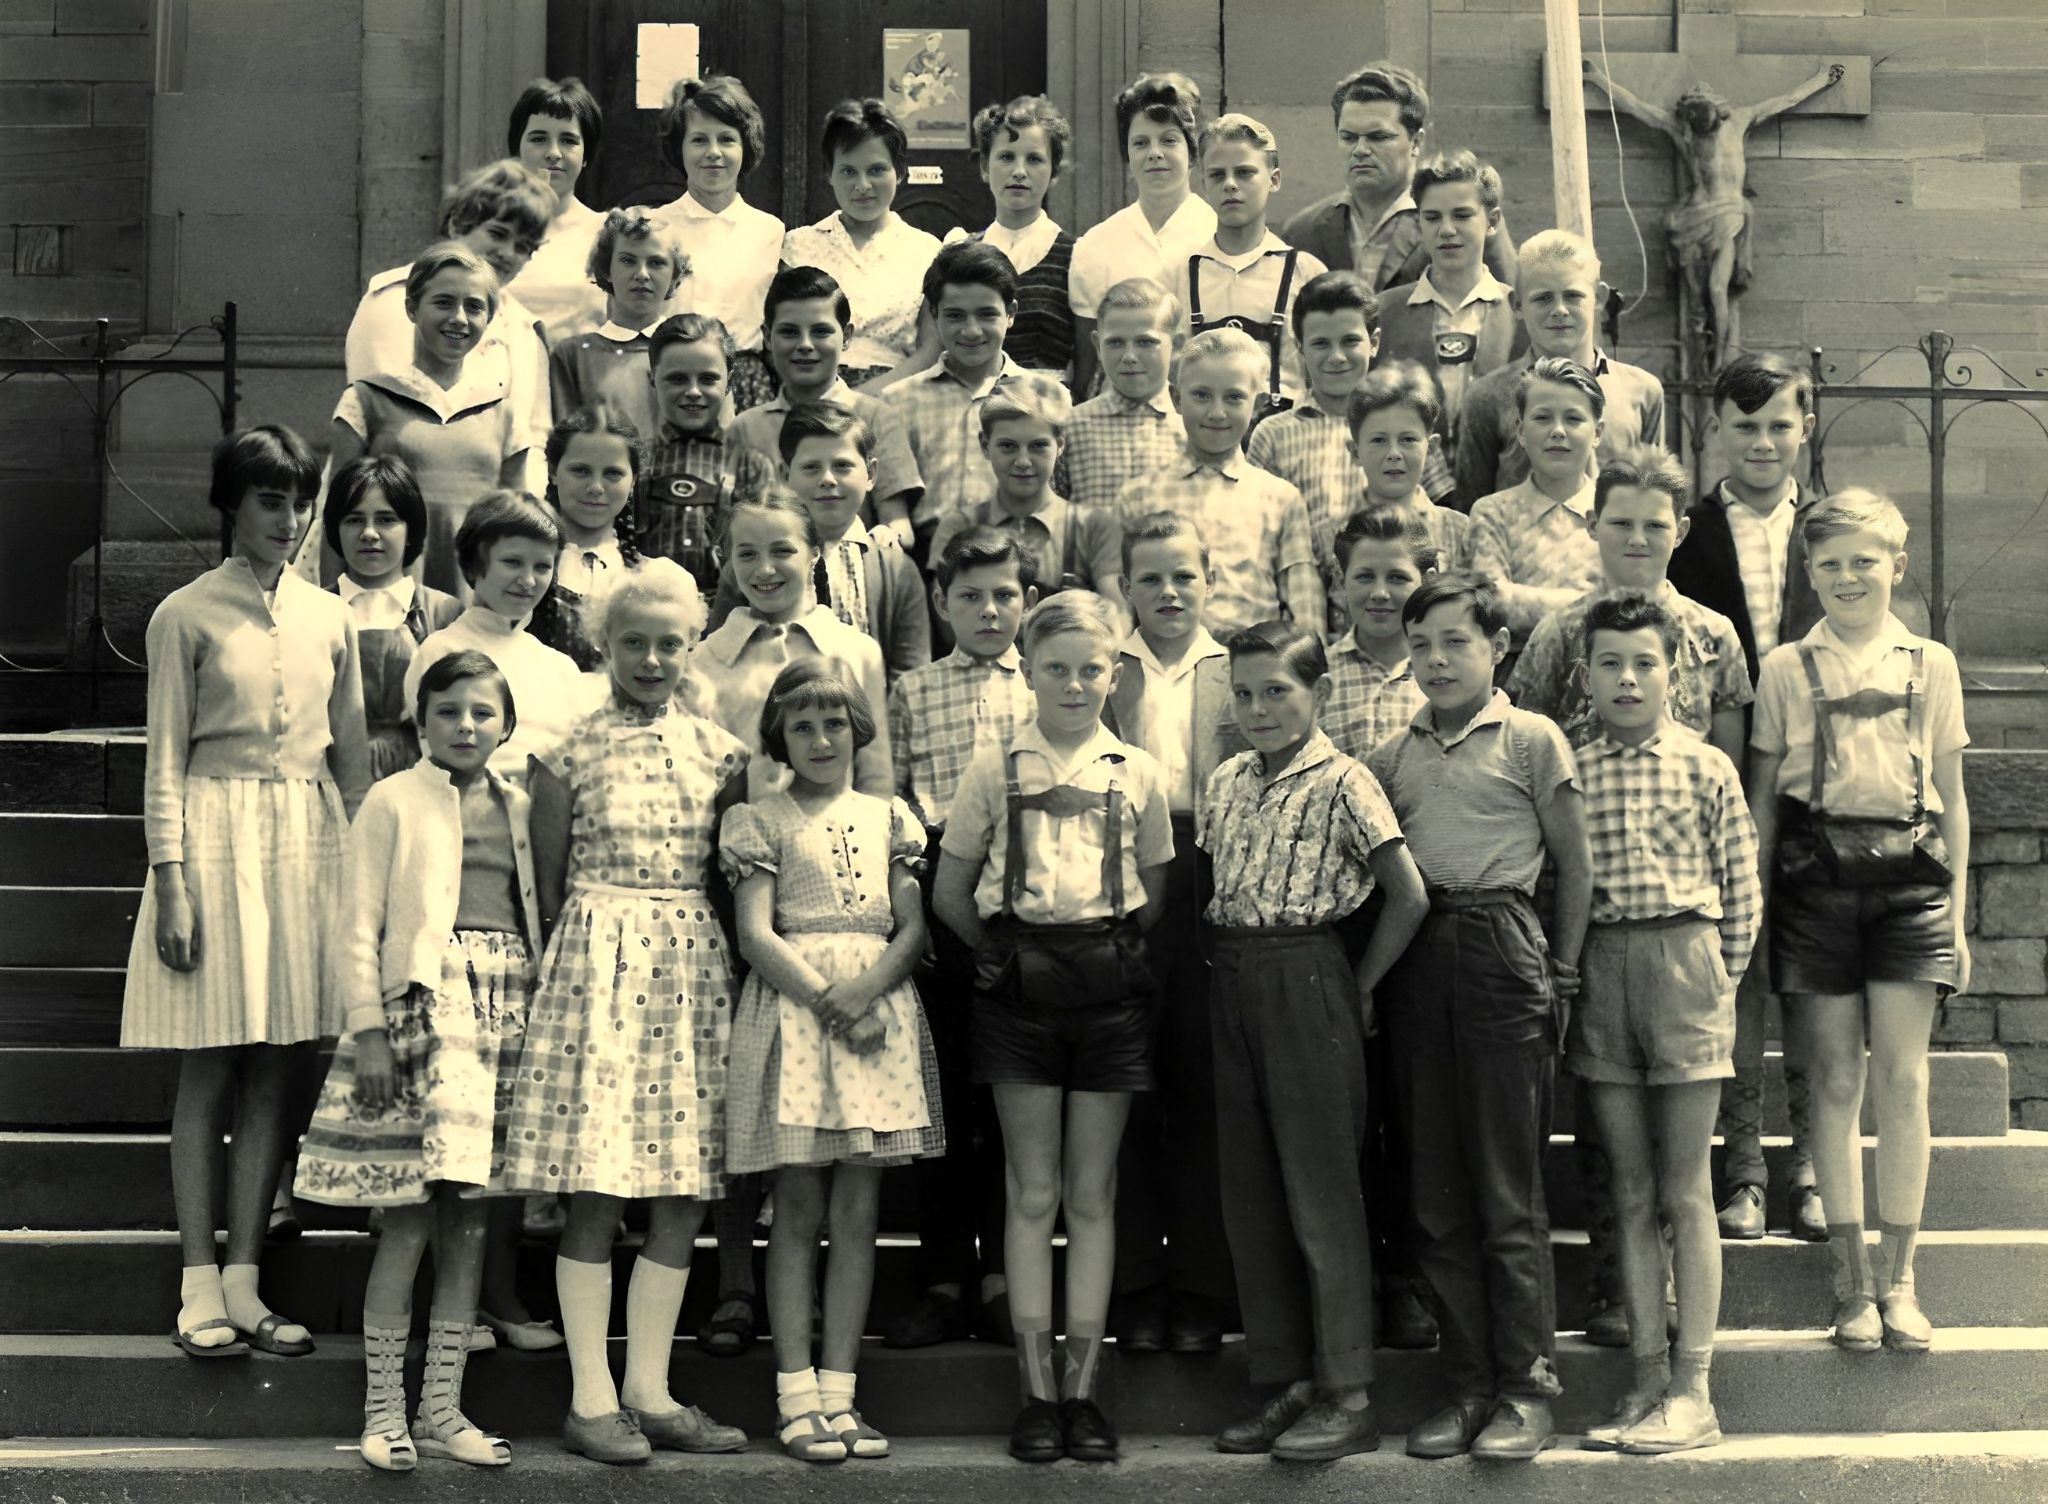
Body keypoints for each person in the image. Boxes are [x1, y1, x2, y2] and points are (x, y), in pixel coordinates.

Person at [123, 426, 369, 1361]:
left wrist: (362, 886)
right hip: (214, 837)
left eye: (303, 501)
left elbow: (352, 763)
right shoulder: (184, 614)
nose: (291, 519)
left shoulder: (331, 617)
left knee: (280, 1059)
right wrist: (173, 885)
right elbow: (163, 763)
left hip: (306, 840)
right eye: (272, 500)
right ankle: (197, 1285)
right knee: (212, 1058)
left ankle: (246, 1281)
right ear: (233, 504)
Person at [500, 559, 751, 1465]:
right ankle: (591, 1396)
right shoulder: (567, 752)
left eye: (669, 644)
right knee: (600, 1184)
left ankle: (650, 1389)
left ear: (692, 648)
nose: (651, 659)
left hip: (687, 969)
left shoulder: (722, 753)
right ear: (602, 645)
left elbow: (725, 883)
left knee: (682, 1186)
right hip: (597, 965)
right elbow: (548, 877)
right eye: (633, 643)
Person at [933, 591, 1175, 1466]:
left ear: (1115, 674)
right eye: (1056, 668)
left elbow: (1153, 896)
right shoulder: (992, 767)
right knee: (1031, 1195)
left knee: (1094, 1196)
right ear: (1028, 672)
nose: (1074, 684)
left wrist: (1095, 958)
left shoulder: (1137, 772)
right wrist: (1004, 962)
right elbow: (951, 891)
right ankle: (1035, 1395)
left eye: (1091, 668)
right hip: (1017, 997)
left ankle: (1085, 1393)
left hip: (1109, 996)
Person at [294, 650, 540, 1471]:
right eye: (448, 712)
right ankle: (383, 1409)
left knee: (470, 1219)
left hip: (503, 1013)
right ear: (421, 721)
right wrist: (367, 1029)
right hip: (420, 1014)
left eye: (482, 712)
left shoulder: (520, 804)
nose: (466, 726)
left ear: (504, 723)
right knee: (405, 1218)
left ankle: (442, 1406)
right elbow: (357, 924)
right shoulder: (393, 802)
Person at [1369, 573, 1591, 1462]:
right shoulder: (1392, 756)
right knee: (1433, 1193)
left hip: (1505, 946)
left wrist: (1562, 969)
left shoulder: (1533, 739)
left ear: (1496, 645)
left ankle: (1526, 1388)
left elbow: (1572, 867)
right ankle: (1465, 1385)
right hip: (1423, 952)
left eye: (1455, 641)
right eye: (1419, 644)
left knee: (1506, 1188)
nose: (1435, 660)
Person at [1749, 490, 1970, 1355]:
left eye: (1864, 560)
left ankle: (1902, 1280)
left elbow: (1954, 798)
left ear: (1897, 566)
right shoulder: (1782, 668)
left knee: (1904, 1082)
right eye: (1831, 562)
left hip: (1912, 887)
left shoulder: (1932, 664)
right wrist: (1760, 909)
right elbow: (1765, 803)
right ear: (1809, 573)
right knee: (1835, 1081)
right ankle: (1850, 1288)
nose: (1849, 576)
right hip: (1813, 887)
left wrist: (1957, 910)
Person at [1202, 619, 1428, 1461]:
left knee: (1320, 1191)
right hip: (1234, 978)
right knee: (1251, 1192)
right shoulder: (1225, 779)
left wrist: (1358, 985)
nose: (1259, 708)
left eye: (1278, 691)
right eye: (1246, 692)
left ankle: (1349, 1390)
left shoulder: (1344, 781)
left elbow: (1406, 895)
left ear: (1319, 693)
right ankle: (1288, 1379)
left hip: (1310, 979)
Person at [722, 660, 944, 1462]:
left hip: (876, 1011)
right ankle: (796, 1395)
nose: (820, 739)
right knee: (799, 1208)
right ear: (780, 734)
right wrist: (831, 1001)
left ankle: (842, 1393)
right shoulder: (761, 819)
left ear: (858, 729)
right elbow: (755, 934)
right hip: (799, 1013)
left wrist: (870, 992)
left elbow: (912, 928)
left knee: (859, 1213)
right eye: (803, 725)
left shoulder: (890, 817)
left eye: (834, 723)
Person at [1567, 595, 1761, 1456]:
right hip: (1603, 968)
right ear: (1585, 675)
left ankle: (1695, 1390)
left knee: (1687, 1190)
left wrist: (1717, 976)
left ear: (1673, 673)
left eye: (1644, 662)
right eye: (1610, 662)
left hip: (1686, 963)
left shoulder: (1707, 765)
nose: (1628, 677)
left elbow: (1743, 892)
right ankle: (1646, 1380)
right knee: (1631, 1189)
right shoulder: (1572, 766)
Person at [1668, 351, 1827, 1241]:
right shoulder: (1688, 535)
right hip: (1721, 778)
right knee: (1736, 979)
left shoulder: (1832, 531)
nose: (1763, 442)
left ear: (1804, 428)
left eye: (1779, 425)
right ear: (1715, 431)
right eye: (1744, 426)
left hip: (1817, 789)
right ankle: (1744, 1171)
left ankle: (1806, 1167)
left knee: (1805, 981)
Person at [883, 529, 1040, 1349]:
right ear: (941, 602)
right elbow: (898, 796)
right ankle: (943, 1274)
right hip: (943, 885)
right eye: (970, 596)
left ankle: (1004, 1277)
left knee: (1006, 1102)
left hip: (1027, 889)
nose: (989, 610)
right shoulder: (912, 690)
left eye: (1005, 595)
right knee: (944, 1098)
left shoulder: (1043, 686)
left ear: (1029, 602)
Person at [1101, 511, 1242, 1354]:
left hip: (1213, 874)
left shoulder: (1235, 670)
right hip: (1122, 880)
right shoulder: (1106, 670)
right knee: (1125, 1087)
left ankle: (1198, 1289)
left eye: (1184, 575)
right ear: (1126, 588)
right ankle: (1134, 1289)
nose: (1168, 592)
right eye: (1150, 578)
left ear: (1209, 579)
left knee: (1200, 1091)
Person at [1316, 508, 1438, 1351]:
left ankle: (1411, 1279)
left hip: (1430, 910)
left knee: (1417, 1102)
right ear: (1338, 584)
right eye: (1365, 575)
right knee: (1347, 1110)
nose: (1383, 591)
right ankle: (1351, 1281)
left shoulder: (1445, 669)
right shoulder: (1317, 675)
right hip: (1339, 915)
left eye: (1399, 576)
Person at [1583, 59, 1847, 371]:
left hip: (1729, 215)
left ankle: (1722, 359)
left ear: (1715, 111)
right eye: (1693, 116)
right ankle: (1701, 341)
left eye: (1702, 115)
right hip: (1695, 218)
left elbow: (1784, 102)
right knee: (1696, 296)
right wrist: (1597, 78)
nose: (1698, 122)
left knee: (1717, 289)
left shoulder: (1740, 121)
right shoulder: (1683, 132)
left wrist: (1821, 80)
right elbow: (1636, 107)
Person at [1508, 449, 1752, 762]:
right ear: (1593, 525)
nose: (1637, 539)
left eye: (1654, 526)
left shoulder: (1714, 635)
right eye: (1622, 523)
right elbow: (1527, 748)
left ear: (1680, 531)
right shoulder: (1558, 632)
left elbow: (1730, 764)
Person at [327, 243, 531, 598]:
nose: (459, 318)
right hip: (385, 598)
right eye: (443, 302)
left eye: (474, 306)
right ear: (412, 308)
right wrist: (329, 605)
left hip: (475, 597)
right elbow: (336, 514)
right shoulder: (367, 399)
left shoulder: (502, 410)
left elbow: (517, 527)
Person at [343, 159, 554, 494]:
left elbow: (535, 440)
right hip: (397, 498)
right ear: (458, 225)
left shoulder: (525, 330)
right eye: (497, 234)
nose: (507, 253)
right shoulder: (394, 299)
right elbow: (380, 417)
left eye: (523, 247)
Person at [1113, 327, 1320, 636]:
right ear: (1176, 398)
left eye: (1234, 397)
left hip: (1253, 667)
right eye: (1201, 395)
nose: (1217, 412)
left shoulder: (1280, 498)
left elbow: (1304, 606)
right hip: (1164, 665)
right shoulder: (1139, 497)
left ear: (1259, 403)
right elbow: (1120, 606)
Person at [709, 402, 929, 683]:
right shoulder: (752, 565)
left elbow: (908, 677)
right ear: (785, 476)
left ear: (871, 474)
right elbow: (720, 663)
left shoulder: (894, 569)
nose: (827, 479)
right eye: (811, 467)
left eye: (842, 466)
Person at [696, 486, 892, 797]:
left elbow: (875, 777)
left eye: (782, 551)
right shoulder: (703, 662)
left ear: (814, 553)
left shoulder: (857, 651)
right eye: (747, 554)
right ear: (728, 560)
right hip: (738, 841)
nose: (765, 569)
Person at [1455, 230, 1663, 508]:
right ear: (1517, 304)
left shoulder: (1642, 392)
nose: (1560, 310)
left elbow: (1655, 504)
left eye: (1573, 296)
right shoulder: (1488, 397)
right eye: (1543, 298)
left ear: (1599, 298)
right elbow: (1470, 510)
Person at [402, 490, 590, 781]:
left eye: (541, 566)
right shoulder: (442, 652)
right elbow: (441, 761)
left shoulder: (561, 669)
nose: (528, 581)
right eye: (512, 562)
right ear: (475, 563)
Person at [1280, 63, 1516, 292]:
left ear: (1416, 142)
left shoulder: (1464, 220)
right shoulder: (1303, 231)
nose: (1360, 149)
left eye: (1378, 137)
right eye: (1349, 137)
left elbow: (1511, 307)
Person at [729, 265, 926, 539]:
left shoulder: (875, 417)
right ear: (767, 337)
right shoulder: (745, 428)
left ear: (846, 337)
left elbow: (898, 523)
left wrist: (887, 537)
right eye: (789, 332)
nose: (805, 344)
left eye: (821, 331)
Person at [880, 239, 1030, 563]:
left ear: (1011, 313)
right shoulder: (898, 402)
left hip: (1019, 562)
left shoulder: (1044, 397)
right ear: (934, 316)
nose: (972, 331)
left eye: (987, 314)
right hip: (927, 563)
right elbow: (893, 506)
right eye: (955, 316)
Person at [1069, 72, 1216, 399]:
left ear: (1192, 150)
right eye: (1141, 142)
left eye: (1169, 140)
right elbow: (1087, 366)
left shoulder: (1219, 235)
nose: (1155, 153)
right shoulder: (1095, 246)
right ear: (1126, 153)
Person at [1169, 113, 1327, 414]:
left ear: (1274, 179)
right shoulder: (1180, 274)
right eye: (1217, 175)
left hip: (1285, 437)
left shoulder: (1306, 273)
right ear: (1203, 184)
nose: (1230, 185)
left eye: (1244, 173)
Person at [1244, 270, 1382, 613]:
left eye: (1350, 341)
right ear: (1300, 348)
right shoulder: (1273, 434)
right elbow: (1255, 535)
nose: (1336, 356)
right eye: (1321, 344)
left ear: (1374, 342)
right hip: (1301, 604)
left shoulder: (1403, 425)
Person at [930, 384, 1125, 623]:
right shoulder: (958, 527)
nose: (1023, 461)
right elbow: (946, 625)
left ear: (1060, 445)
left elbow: (1118, 618)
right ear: (985, 446)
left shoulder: (1093, 527)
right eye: (1008, 446)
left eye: (1038, 446)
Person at [781, 97, 942, 387]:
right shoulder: (798, 247)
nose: (863, 185)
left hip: (896, 395)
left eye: (877, 170)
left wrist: (868, 396)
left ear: (900, 172)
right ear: (829, 174)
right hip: (813, 394)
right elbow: (783, 339)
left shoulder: (927, 251)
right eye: (848, 171)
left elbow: (930, 351)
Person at [323, 454, 463, 780]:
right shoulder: (314, 610)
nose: (369, 533)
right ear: (335, 528)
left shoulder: (442, 613)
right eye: (354, 520)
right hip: (334, 775)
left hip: (422, 777)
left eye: (386, 520)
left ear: (411, 529)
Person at [1371, 151, 1524, 448]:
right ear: (1419, 223)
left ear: (1492, 221)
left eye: (1462, 215)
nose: (1447, 230)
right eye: (1432, 217)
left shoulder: (1521, 312)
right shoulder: (1384, 312)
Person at [652, 73, 785, 412]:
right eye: (699, 140)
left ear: (745, 147)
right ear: (679, 147)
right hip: (674, 382)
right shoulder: (654, 228)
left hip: (747, 384)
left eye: (727, 139)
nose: (713, 153)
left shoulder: (770, 231)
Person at [1464, 356, 1606, 645]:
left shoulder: (1615, 514)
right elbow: (1493, 603)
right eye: (1542, 418)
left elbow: (1631, 607)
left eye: (1573, 418)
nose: (1557, 431)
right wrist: (1596, 604)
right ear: (1520, 431)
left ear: (1597, 433)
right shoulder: (1493, 513)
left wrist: (1521, 598)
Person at [635, 312, 778, 594]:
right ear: (653, 380)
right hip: (649, 613)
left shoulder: (750, 465)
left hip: (725, 613)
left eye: (708, 379)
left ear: (728, 382)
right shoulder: (633, 462)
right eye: (677, 379)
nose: (692, 391)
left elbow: (765, 551)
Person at [1334, 363, 1472, 631]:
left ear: (1431, 448)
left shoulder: (1461, 531)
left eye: (1408, 439)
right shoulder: (1327, 535)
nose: (1394, 453)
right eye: (1378, 441)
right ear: (1355, 451)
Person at [547, 209, 690, 441]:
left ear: (675, 276)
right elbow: (566, 446)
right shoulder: (573, 356)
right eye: (628, 260)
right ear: (606, 269)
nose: (642, 274)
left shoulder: (693, 351)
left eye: (656, 262)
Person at [529, 406, 645, 672]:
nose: (595, 487)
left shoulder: (652, 577)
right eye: (580, 471)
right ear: (553, 472)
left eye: (612, 473)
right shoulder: (523, 567)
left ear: (633, 480)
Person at [1058, 277, 1187, 511]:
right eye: (1115, 343)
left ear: (1177, 345)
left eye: (1146, 342)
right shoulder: (1071, 428)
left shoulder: (1196, 428)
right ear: (1097, 346)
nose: (1129, 356)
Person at [503, 76, 608, 339]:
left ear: (586, 155)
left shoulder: (607, 234)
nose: (553, 152)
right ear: (518, 149)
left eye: (568, 140)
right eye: (538, 139)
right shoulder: (491, 231)